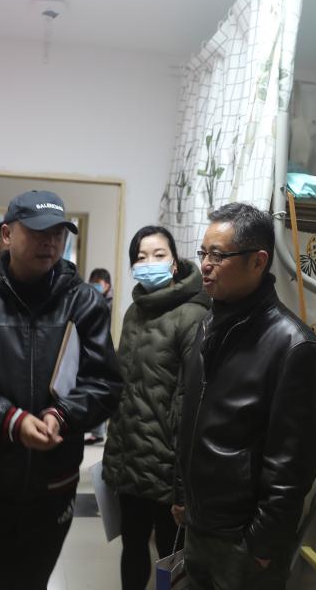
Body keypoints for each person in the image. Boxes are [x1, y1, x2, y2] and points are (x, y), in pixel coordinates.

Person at [0, 190, 123, 590]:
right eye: (37, 232)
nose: (49, 242)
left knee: (32, 582)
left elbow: (105, 382)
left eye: (58, 233)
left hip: (51, 488)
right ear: (7, 234)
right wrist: (10, 420)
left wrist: (62, 414)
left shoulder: (85, 303)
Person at [174, 202, 316, 590]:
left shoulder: (294, 346)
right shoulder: (208, 324)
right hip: (199, 524)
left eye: (218, 255)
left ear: (258, 261)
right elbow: (193, 416)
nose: (205, 265)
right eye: (203, 253)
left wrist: (261, 544)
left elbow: (292, 463)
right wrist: (183, 494)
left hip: (243, 541)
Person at [102, 226, 208, 590]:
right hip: (131, 460)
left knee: (169, 557)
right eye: (141, 257)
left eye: (159, 255)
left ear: (175, 263)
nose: (149, 263)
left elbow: (192, 402)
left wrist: (183, 486)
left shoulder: (193, 316)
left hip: (167, 468)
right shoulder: (135, 312)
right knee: (132, 547)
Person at [86, 267, 114, 444]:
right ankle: (97, 431)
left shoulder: (105, 302)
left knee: (99, 388)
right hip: (90, 349)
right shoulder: (91, 298)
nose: (94, 286)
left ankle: (98, 431)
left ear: (107, 285)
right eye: (92, 283)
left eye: (98, 284)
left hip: (101, 350)